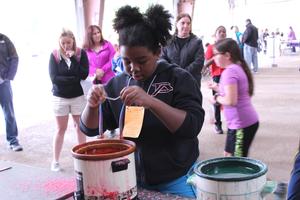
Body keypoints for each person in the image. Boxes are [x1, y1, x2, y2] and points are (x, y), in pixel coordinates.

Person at [80, 5, 205, 198]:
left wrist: (152, 102)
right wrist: (92, 105)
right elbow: (89, 128)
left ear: (157, 52)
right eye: (126, 60)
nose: (133, 68)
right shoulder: (117, 83)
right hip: (130, 179)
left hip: (177, 178)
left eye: (142, 60)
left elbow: (191, 126)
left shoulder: (179, 79)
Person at [208, 38, 259, 157]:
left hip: (241, 125)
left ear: (227, 55)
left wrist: (215, 99)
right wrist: (218, 88)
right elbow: (233, 92)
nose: (213, 58)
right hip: (238, 124)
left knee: (237, 163)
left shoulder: (229, 72)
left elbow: (231, 101)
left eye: (215, 54)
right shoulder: (236, 68)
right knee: (227, 155)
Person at [49, 29, 89, 171]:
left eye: (69, 42)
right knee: (61, 128)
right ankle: (55, 161)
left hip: (78, 97)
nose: (66, 45)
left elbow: (84, 74)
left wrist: (72, 59)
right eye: (63, 43)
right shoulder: (54, 55)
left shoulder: (80, 54)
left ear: (73, 41)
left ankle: (83, 157)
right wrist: (73, 79)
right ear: (59, 42)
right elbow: (54, 78)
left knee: (80, 127)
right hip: (60, 98)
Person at [160, 13, 204, 88]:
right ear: (177, 24)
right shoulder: (168, 41)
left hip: (191, 82)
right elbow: (162, 58)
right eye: (182, 23)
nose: (186, 26)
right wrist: (172, 71)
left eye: (188, 23)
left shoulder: (197, 42)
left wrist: (181, 73)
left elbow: (198, 62)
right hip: (172, 81)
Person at [0, 33, 23, 152]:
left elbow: (14, 57)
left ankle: (13, 140)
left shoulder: (4, 39)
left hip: (3, 83)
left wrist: (8, 77)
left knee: (9, 112)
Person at [203, 26, 227, 134]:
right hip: (217, 76)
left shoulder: (229, 46)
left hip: (229, 75)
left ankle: (233, 122)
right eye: (220, 32)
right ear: (215, 34)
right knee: (217, 100)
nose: (222, 33)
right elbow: (207, 63)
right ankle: (218, 124)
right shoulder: (211, 47)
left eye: (224, 32)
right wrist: (217, 56)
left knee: (230, 99)